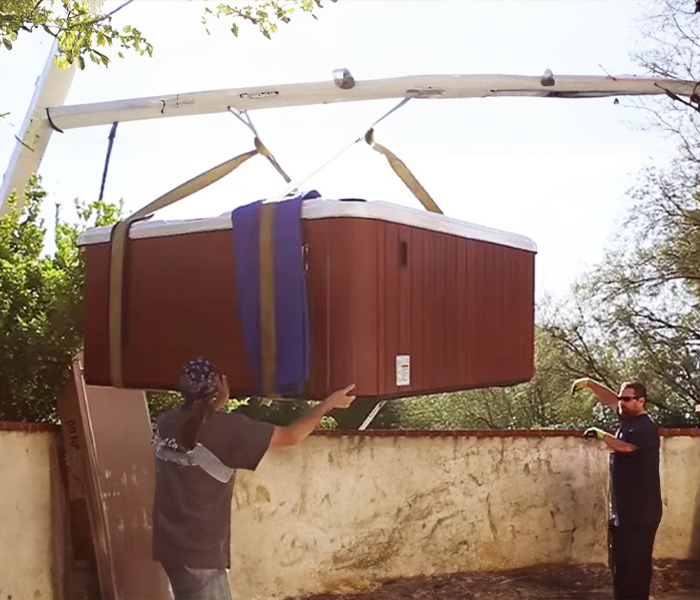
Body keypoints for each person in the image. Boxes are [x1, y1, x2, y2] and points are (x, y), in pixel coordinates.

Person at [152, 356, 356, 600]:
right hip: (199, 552)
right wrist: (328, 404)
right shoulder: (227, 429)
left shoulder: (167, 422)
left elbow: (197, 426)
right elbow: (291, 436)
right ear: (219, 385)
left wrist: (217, 402)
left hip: (169, 545)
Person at [572, 378, 662, 600]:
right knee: (620, 566)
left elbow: (627, 448)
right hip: (623, 512)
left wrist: (603, 436)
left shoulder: (645, 427)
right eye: (621, 398)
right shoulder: (628, 420)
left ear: (641, 401)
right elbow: (612, 400)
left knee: (635, 567)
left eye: (627, 399)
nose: (621, 403)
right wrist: (591, 384)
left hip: (640, 513)